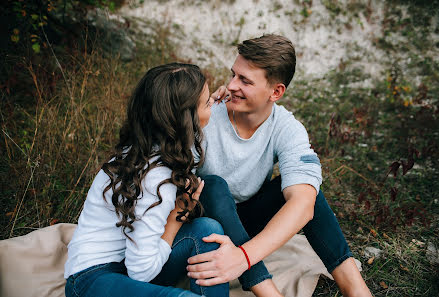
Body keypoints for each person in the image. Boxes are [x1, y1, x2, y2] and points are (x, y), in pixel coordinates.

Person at [185, 35, 373, 297]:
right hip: (204, 221)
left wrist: (243, 256)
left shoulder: (286, 128)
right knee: (214, 186)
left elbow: (303, 205)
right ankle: (268, 291)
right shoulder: (207, 114)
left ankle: (357, 291)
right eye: (233, 75)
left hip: (247, 221)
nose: (231, 85)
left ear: (276, 92)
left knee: (308, 191)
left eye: (245, 81)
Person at [64, 63, 229, 297]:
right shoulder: (155, 177)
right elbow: (141, 272)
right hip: (92, 279)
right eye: (207, 104)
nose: (212, 107)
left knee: (207, 231)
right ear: (186, 121)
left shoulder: (146, 149)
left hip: (130, 264)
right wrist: (176, 217)